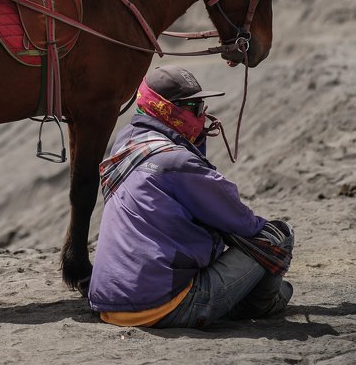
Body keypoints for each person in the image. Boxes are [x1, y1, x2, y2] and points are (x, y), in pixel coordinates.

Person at [88, 65, 294, 329]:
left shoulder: (126, 142)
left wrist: (191, 139)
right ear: (168, 110)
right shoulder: (176, 161)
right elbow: (242, 222)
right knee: (277, 236)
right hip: (164, 307)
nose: (203, 115)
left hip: (111, 306)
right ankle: (263, 305)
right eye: (195, 108)